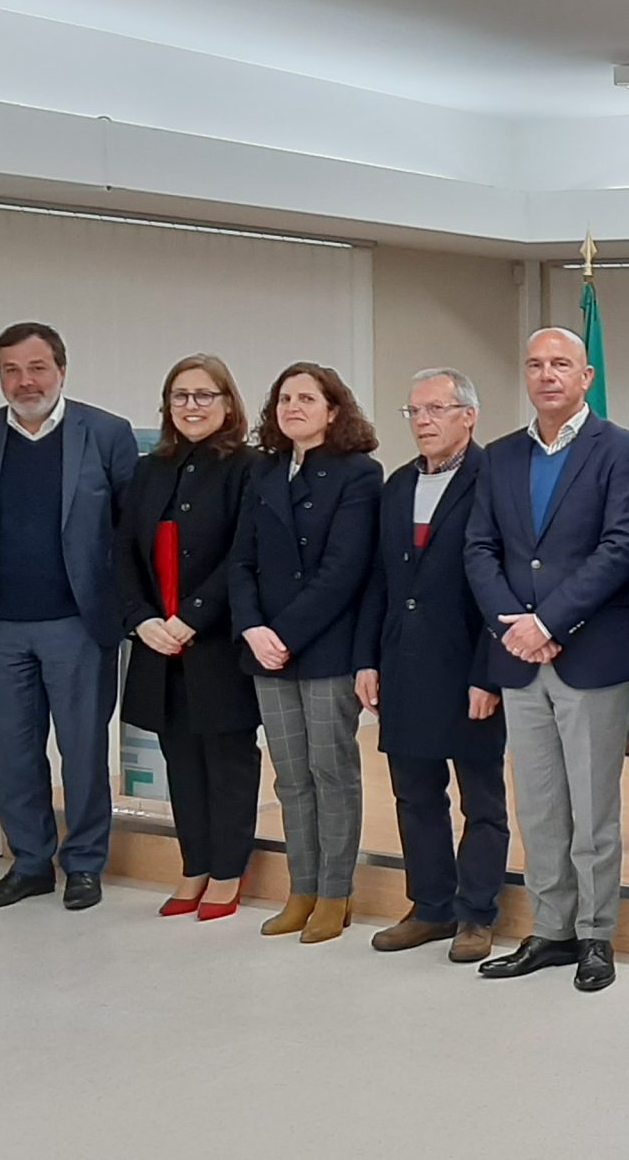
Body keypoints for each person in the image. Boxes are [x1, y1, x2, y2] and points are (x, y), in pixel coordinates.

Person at [466, 327, 629, 993]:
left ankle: (595, 933)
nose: (547, 375)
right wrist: (515, 630)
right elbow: (479, 550)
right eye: (536, 365)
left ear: (587, 375)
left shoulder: (626, 452)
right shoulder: (499, 456)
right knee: (539, 805)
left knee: (594, 806)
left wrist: (549, 621)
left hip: (590, 654)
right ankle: (549, 929)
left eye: (561, 365)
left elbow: (619, 548)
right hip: (520, 659)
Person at [0, 322, 139, 912]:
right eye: (11, 369)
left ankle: (84, 864)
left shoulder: (105, 433)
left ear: (61, 370)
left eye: (37, 367)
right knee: (12, 750)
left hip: (78, 623)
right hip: (1, 623)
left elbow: (129, 529)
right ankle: (30, 864)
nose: (24, 380)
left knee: (83, 750)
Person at [355, 368, 507, 963]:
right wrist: (366, 658)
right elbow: (379, 582)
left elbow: (503, 584)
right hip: (404, 664)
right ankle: (430, 907)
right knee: (415, 796)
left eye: (437, 409)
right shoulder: (396, 486)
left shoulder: (493, 480)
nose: (423, 421)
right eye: (414, 411)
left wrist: (488, 673)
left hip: (468, 665)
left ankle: (477, 913)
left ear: (468, 416)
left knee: (482, 802)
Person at [231, 362, 382, 945]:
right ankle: (303, 888)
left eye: (307, 398)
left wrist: (285, 635)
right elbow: (240, 561)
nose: (293, 407)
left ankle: (335, 893)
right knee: (290, 777)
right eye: (285, 398)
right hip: (265, 650)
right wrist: (252, 629)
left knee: (331, 771)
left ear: (334, 410)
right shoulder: (263, 471)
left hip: (325, 649)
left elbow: (344, 572)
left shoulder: (359, 474)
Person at [116, 355, 263, 922]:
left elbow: (242, 554)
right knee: (180, 757)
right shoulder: (151, 469)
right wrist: (141, 618)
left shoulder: (250, 466)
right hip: (158, 641)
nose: (192, 406)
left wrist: (194, 616)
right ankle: (193, 864)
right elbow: (125, 549)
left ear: (228, 404)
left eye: (205, 395)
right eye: (180, 396)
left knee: (226, 759)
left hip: (217, 639)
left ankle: (228, 870)